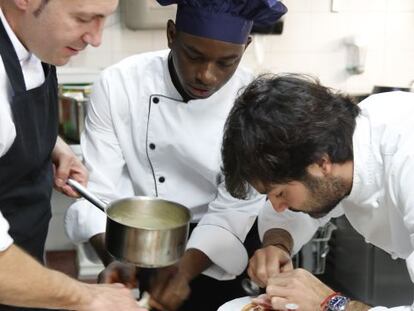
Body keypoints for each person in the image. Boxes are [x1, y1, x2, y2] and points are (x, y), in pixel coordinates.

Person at [64, 1, 287, 310]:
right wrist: (116, 260)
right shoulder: (120, 85)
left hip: (217, 245)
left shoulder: (253, 102)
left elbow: (234, 210)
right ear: (171, 34)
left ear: (245, 47)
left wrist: (181, 272)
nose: (206, 75)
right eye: (194, 56)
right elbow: (96, 191)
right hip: (137, 240)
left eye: (226, 62)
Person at [220, 73, 414, 311]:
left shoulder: (406, 158)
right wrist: (277, 244)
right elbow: (298, 209)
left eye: (280, 193)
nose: (277, 206)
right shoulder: (343, 144)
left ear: (321, 164)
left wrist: (331, 304)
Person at [0, 0, 146, 310]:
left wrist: (53, 145)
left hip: (23, 264)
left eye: (103, 19)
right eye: (83, 18)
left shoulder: (36, 39)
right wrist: (88, 296)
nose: (96, 38)